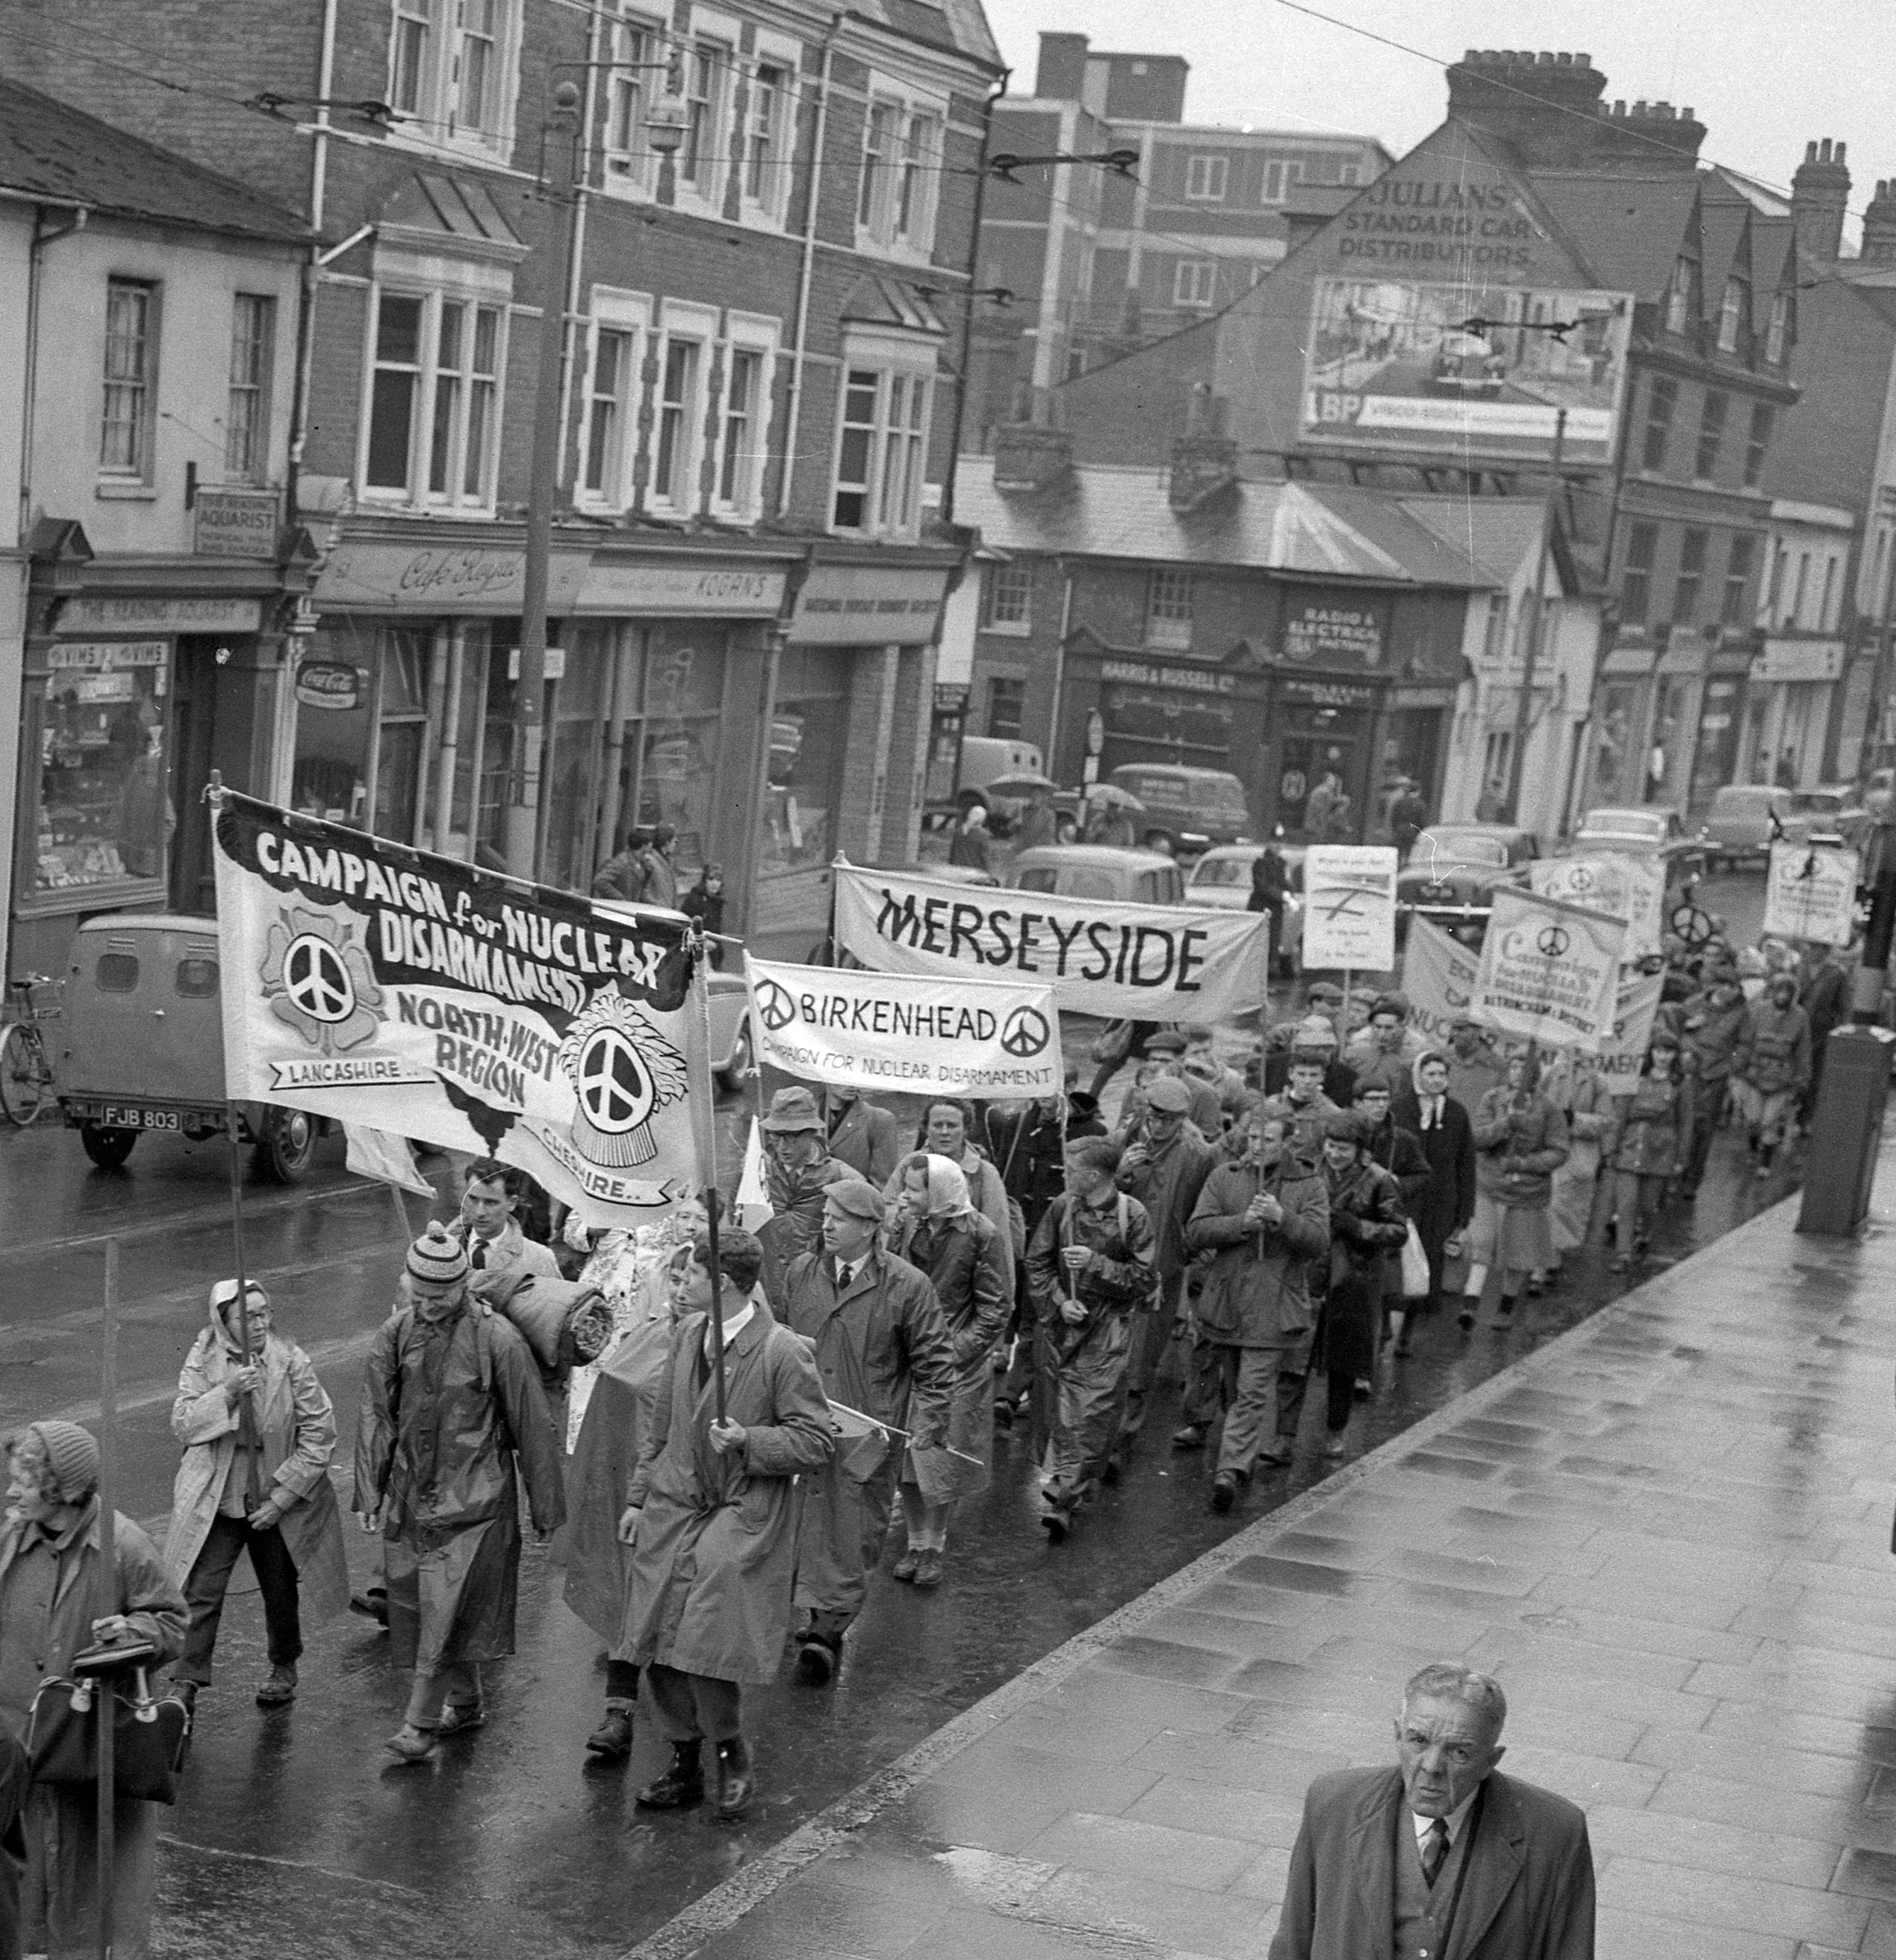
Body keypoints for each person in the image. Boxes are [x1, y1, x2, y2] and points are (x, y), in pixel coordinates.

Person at [621, 1230, 833, 1821]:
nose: (678, 1284)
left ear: (720, 1283)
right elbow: (660, 1428)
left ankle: (729, 1749)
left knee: (702, 1638)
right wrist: (638, 1499)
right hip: (675, 1502)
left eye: (688, 1275)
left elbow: (816, 1440)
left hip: (741, 1510)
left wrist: (751, 1440)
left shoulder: (782, 1351)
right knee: (656, 1632)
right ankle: (683, 1760)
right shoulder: (688, 1335)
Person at [354, 1224, 566, 1763]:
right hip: (411, 1494)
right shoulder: (396, 1332)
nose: (427, 1307)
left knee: (446, 1609)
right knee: (432, 1610)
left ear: (462, 1288)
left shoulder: (498, 1340)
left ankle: (418, 1724)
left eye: (439, 1297)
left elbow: (531, 1422)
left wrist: (545, 1506)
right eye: (418, 1295)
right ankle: (467, 1701)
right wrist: (370, 1490)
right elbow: (377, 1414)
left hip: (477, 1502)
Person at [0, 1422, 186, 1960]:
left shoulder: (123, 1545)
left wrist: (134, 1633)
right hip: (23, 1747)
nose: (11, 1492)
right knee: (24, 1891)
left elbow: (173, 1624)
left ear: (60, 1489)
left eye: (24, 1483)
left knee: (90, 1895)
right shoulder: (12, 1538)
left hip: (89, 1750)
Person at [1269, 1662, 1595, 1960]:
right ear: (1398, 1735)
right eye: (1419, 1741)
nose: (1432, 1766)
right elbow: (1294, 1941)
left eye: (1459, 1752)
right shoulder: (1334, 1803)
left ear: (1491, 1761)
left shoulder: (1555, 1832)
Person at [782, 1181, 954, 1682]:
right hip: (805, 1423)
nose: (827, 1225)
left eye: (840, 1217)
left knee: (852, 1531)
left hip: (868, 1433)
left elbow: (935, 1361)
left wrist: (932, 1418)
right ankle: (816, 1612)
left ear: (869, 1228)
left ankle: (827, 1632)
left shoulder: (906, 1285)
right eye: (826, 1215)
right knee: (802, 1525)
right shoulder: (801, 1271)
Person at [163, 1279, 348, 1713]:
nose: (261, 1323)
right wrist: (227, 1393)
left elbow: (320, 1435)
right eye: (248, 1317)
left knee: (280, 1588)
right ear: (223, 1321)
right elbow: (185, 1424)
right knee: (203, 1589)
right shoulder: (203, 1359)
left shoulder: (291, 1363)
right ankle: (186, 1682)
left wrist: (282, 1499)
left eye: (265, 1313)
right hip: (221, 1494)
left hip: (274, 1491)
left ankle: (284, 1666)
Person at [565, 1235, 693, 1761]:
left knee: (675, 1621)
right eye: (677, 1279)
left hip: (690, 1506)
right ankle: (617, 1714)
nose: (682, 1290)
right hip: (638, 1498)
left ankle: (691, 1743)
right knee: (629, 1601)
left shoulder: (733, 1350)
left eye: (693, 1280)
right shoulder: (647, 1334)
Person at [1177, 1107, 1328, 1500]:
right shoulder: (1224, 1177)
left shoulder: (1309, 1184)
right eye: (1253, 1139)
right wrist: (1240, 1224)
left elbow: (1318, 1241)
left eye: (1269, 1140)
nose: (1259, 1148)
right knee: (1231, 1386)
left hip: (1274, 1305)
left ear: (1287, 1142)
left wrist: (1283, 1219)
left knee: (1252, 1389)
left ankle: (1231, 1469)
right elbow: (1196, 1231)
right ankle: (1233, 1449)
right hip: (1225, 1301)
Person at [884, 1154, 1010, 1586]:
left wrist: (949, 1353)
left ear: (938, 1192)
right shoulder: (909, 1227)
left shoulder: (981, 1234)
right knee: (909, 1460)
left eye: (915, 1189)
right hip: (908, 1358)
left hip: (956, 1364)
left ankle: (934, 1545)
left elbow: (995, 1311)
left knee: (939, 1458)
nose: (905, 1196)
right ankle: (915, 1542)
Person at [1025, 1138, 1157, 1539]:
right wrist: (1061, 1301)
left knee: (1091, 1416)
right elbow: (1038, 1263)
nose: (1065, 1176)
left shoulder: (1132, 1216)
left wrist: (1096, 1265)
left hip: (1108, 1332)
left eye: (1071, 1169)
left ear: (1095, 1175)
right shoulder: (1063, 1208)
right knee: (1057, 1414)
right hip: (1064, 1329)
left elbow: (1143, 1277)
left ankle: (1065, 1496)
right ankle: (1066, 1486)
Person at [1112, 1075, 1216, 1467]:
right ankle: (1096, 1440)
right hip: (1116, 1268)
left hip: (1161, 1272)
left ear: (1183, 1119)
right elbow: (1095, 1196)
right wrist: (1121, 1172)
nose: (1158, 1126)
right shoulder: (1125, 1141)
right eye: (1153, 1116)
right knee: (1106, 1356)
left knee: (1141, 1360)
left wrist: (1188, 1255)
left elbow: (1203, 1212)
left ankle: (1123, 1440)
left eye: (1168, 1119)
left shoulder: (1197, 1155)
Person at [1302, 1110, 1407, 1458]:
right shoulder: (1311, 1171)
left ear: (1360, 1148)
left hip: (1354, 1280)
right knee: (1295, 1357)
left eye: (1344, 1148)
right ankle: (1285, 1435)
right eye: (1331, 1146)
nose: (1335, 1155)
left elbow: (1398, 1231)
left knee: (1343, 1364)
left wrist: (1359, 1227)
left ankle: (1336, 1430)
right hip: (1311, 1274)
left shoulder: (1379, 1180)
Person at [1460, 1050, 1568, 1329]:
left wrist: (1524, 1164)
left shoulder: (1549, 1109)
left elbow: (1559, 1151)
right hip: (1488, 1184)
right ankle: (1470, 1305)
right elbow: (1477, 1138)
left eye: (1525, 1067)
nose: (1518, 1072)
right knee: (1482, 1244)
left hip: (1527, 1192)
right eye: (1514, 1066)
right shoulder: (1493, 1099)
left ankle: (1506, 1307)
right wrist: (1504, 1125)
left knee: (1517, 1252)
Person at [1391, 1053, 1475, 1348]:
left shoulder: (1456, 1113)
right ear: (1418, 1076)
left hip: (1440, 1203)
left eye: (1442, 1074)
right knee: (1401, 1264)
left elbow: (1465, 1164)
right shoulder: (1400, 1110)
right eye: (1430, 1074)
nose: (1437, 1080)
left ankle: (1406, 1335)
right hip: (1406, 1200)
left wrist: (1464, 1214)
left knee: (1427, 1267)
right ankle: (1390, 1332)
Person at [757, 1087, 869, 1301]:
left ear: (811, 1133)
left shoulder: (840, 1176)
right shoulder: (758, 1172)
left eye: (792, 1137)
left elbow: (866, 1235)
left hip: (818, 1287)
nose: (782, 1147)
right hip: (766, 1284)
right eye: (776, 1136)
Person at [1603, 1030, 1694, 1273]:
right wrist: (1612, 1148)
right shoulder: (1635, 1078)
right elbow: (1620, 1115)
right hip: (1631, 1145)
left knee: (1649, 1204)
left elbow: (1685, 1122)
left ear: (1675, 1055)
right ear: (1650, 1052)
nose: (1662, 1057)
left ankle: (1645, 1237)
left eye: (1668, 1052)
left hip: (1661, 1149)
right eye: (1658, 1051)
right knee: (1627, 1202)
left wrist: (1682, 1157)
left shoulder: (1681, 1083)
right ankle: (1623, 1253)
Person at [901, 1099, 1020, 1281]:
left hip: (964, 1279)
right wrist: (900, 1212)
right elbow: (886, 1212)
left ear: (966, 1129)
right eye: (938, 1125)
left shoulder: (984, 1174)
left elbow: (999, 1239)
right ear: (926, 1129)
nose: (945, 1132)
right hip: (914, 1276)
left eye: (953, 1126)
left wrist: (1004, 1294)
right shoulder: (910, 1164)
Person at [1352, 1080, 1428, 1360]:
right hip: (1351, 1219)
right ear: (1357, 1102)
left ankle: (1370, 1362)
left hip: (1384, 1223)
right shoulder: (1347, 1133)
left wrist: (1397, 1183)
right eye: (1372, 1099)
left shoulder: (1402, 1140)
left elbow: (1422, 1174)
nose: (1380, 1104)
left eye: (1384, 1098)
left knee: (1383, 1290)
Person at [1677, 964, 1747, 1198]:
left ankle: (1692, 1180)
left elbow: (1745, 1045)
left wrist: (1732, 1067)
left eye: (1736, 987)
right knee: (1680, 1123)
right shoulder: (1694, 1004)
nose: (1732, 992)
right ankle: (1673, 1173)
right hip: (1689, 1071)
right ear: (1716, 985)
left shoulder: (1742, 1012)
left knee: (1703, 1130)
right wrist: (1687, 1030)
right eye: (1727, 985)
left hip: (1716, 1076)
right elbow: (1675, 1032)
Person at [1732, 970, 1810, 1176]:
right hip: (1755, 1075)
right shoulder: (1758, 1010)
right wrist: (1739, 1068)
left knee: (1770, 1120)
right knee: (1753, 1119)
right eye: (1779, 991)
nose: (1783, 996)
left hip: (1782, 1078)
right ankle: (1753, 1147)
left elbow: (1803, 1051)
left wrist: (1803, 1078)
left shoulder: (1801, 1017)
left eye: (1788, 992)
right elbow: (1746, 1042)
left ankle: (1765, 1161)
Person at [1540, 1048, 1608, 1281]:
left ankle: (1551, 1259)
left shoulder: (1598, 1083)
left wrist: (1575, 1119)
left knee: (1562, 1205)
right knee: (1545, 1203)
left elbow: (1605, 1121)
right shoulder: (1550, 1075)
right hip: (1548, 1150)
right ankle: (1542, 1261)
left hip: (1576, 1155)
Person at [1798, 939, 1849, 1125]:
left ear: (1824, 950)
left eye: (1814, 947)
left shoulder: (1837, 974)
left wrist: (1841, 1033)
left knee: (1814, 1075)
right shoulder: (1799, 969)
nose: (1809, 950)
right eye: (1808, 946)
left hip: (1821, 1032)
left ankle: (1805, 1118)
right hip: (1796, 1028)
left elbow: (1844, 1008)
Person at [1262, 1013, 1358, 1111]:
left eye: (1327, 1048)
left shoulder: (1347, 1077)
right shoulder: (1272, 1067)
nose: (1321, 1053)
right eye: (1315, 1048)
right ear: (1299, 1048)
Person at [1346, 993, 1425, 1099]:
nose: (1382, 1034)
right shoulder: (1358, 1043)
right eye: (1378, 1027)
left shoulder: (1418, 1048)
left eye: (1389, 1028)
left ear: (1402, 1026)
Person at [822, 1084, 900, 1189]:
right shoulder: (807, 1115)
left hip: (854, 1198)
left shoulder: (879, 1119)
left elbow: (883, 1182)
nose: (851, 1085)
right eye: (844, 1078)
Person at [1443, 1014, 1505, 1112]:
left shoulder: (1497, 1065)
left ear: (1478, 1032)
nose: (1455, 1034)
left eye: (1461, 1030)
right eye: (1453, 1029)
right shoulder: (1442, 1058)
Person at [1248, 839, 1288, 976]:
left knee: (1273, 943)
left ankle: (1270, 972)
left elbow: (1284, 883)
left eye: (1280, 845)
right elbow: (1262, 886)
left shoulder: (1280, 863)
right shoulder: (1261, 864)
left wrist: (1289, 894)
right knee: (1261, 944)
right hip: (1261, 907)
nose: (1279, 847)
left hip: (1276, 910)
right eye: (1276, 845)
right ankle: (1259, 975)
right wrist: (1283, 896)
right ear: (1269, 846)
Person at [679, 863, 725, 963]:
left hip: (713, 952)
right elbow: (685, 926)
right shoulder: (695, 899)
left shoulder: (717, 902)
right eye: (711, 879)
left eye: (718, 880)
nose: (715, 884)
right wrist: (702, 942)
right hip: (695, 953)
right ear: (704, 881)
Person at [592, 827, 650, 904]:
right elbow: (600, 881)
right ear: (644, 846)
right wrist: (620, 898)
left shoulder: (642, 864)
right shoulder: (621, 862)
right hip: (621, 909)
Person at [639, 823, 679, 910]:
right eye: (675, 842)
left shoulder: (668, 862)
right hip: (655, 913)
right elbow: (644, 891)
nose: (676, 845)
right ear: (667, 842)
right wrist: (661, 905)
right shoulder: (649, 861)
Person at [1388, 780, 1428, 862]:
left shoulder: (1400, 802)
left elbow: (1394, 818)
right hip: (1412, 831)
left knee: (1398, 853)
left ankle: (1398, 869)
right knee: (1410, 853)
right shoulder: (1420, 804)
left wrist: (1395, 828)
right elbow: (1422, 821)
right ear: (1419, 791)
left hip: (1400, 829)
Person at [948, 802, 993, 873]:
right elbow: (985, 857)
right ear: (983, 819)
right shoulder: (984, 835)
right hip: (974, 871)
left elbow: (952, 853)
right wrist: (988, 872)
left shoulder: (959, 831)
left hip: (956, 869)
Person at [1015, 783, 1059, 851]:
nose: (1034, 798)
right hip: (1026, 848)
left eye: (1037, 795)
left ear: (1042, 797)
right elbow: (1020, 833)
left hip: (1042, 849)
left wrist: (1034, 847)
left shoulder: (1048, 814)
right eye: (1032, 794)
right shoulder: (1025, 811)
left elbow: (1049, 834)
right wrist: (1016, 824)